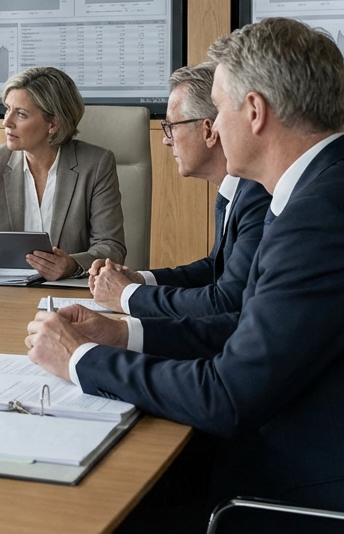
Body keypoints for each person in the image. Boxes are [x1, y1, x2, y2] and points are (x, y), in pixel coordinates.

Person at [26, 18, 344, 527]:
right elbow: (249, 327)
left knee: (98, 498)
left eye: (219, 108)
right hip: (337, 438)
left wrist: (80, 360)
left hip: (333, 491)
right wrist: (123, 335)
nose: (214, 127)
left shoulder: (322, 217)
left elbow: (227, 396)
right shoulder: (337, 186)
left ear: (254, 111)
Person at [87, 63, 271, 359]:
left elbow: (227, 301)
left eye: (171, 126)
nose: (166, 139)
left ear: (208, 130)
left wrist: (126, 295)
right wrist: (139, 280)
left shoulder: (257, 194)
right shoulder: (234, 190)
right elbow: (214, 268)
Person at [0, 66, 126, 280]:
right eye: (7, 109)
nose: (6, 122)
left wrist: (72, 265)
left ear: (53, 124)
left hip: (67, 290)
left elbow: (111, 246)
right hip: (4, 289)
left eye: (21, 114)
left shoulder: (96, 164)